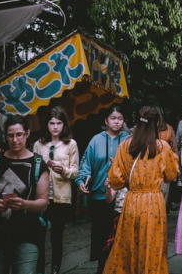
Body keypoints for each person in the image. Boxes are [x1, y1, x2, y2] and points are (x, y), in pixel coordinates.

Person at [102, 105, 179, 274]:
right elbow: (172, 175)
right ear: (157, 124)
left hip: (132, 202)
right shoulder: (162, 147)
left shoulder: (125, 146)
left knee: (129, 246)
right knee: (152, 246)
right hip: (154, 203)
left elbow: (116, 180)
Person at [0, 115, 49, 274]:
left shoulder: (37, 164)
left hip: (27, 234)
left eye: (19, 134)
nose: (15, 140)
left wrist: (24, 204)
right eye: (10, 135)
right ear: (5, 136)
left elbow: (43, 202)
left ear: (27, 134)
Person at [75, 105, 130, 274]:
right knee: (100, 234)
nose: (116, 122)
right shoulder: (96, 140)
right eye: (113, 118)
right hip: (99, 194)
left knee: (121, 236)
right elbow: (86, 164)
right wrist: (81, 180)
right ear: (106, 120)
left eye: (119, 118)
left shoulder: (129, 140)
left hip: (122, 198)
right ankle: (102, 267)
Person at [33, 107, 79, 274]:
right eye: (51, 123)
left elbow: (75, 172)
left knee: (56, 237)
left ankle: (55, 269)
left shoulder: (71, 144)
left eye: (59, 123)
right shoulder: (38, 144)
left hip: (60, 197)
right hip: (41, 196)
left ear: (64, 125)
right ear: (46, 125)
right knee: (38, 236)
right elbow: (33, 169)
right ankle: (39, 270)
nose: (55, 127)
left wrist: (62, 170)